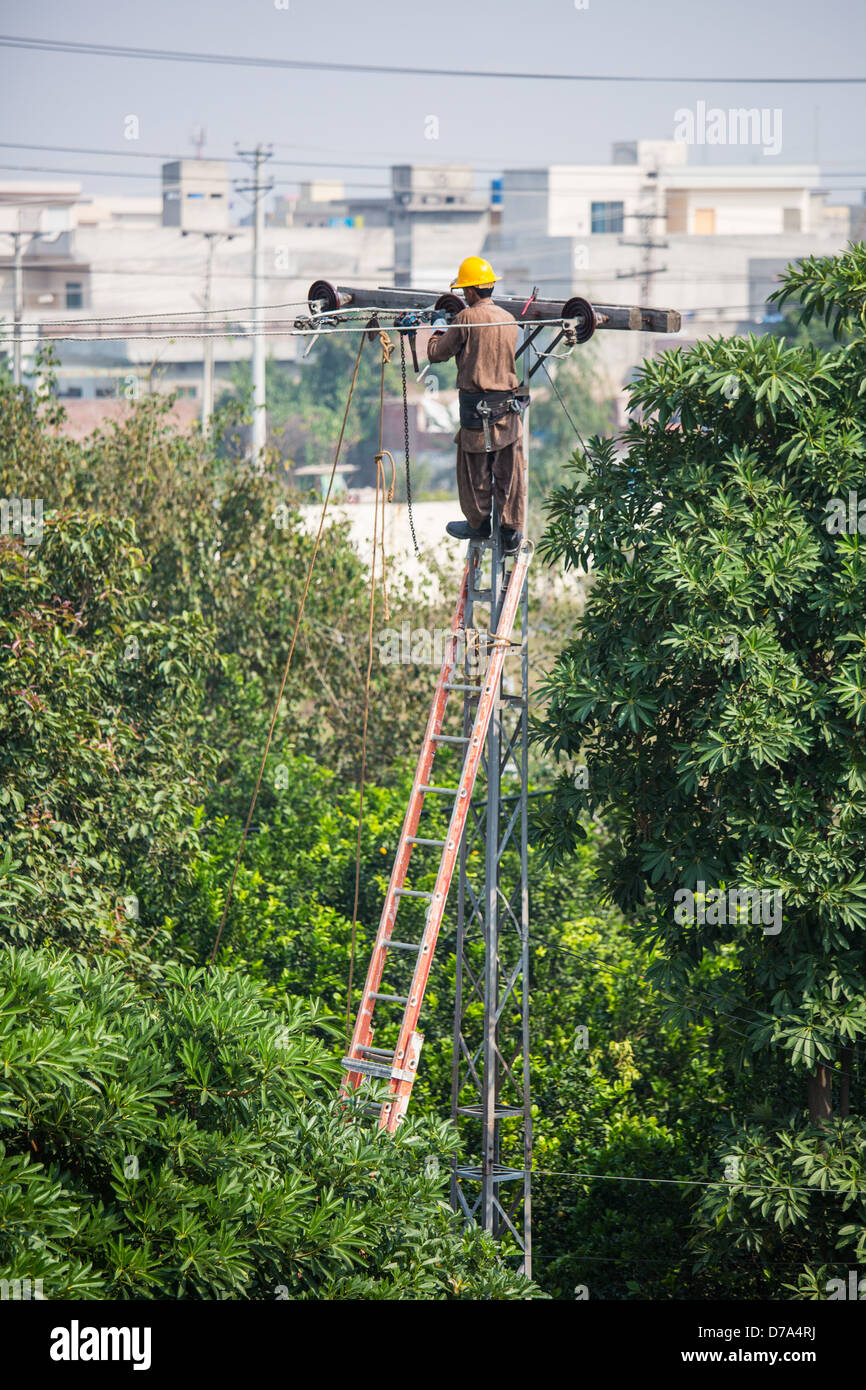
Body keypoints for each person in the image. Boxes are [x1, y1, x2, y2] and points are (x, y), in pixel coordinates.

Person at [427, 257, 526, 554]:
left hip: (475, 410)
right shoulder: (510, 319)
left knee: (473, 472)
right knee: (510, 472)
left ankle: (479, 522)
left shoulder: (466, 318)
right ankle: (511, 530)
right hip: (507, 410)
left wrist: (439, 327)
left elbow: (436, 354)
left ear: (470, 291)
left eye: (463, 292)